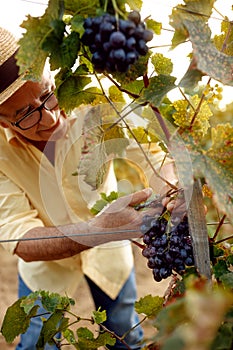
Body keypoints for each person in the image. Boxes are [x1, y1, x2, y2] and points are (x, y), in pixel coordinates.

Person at [0, 26, 177, 349]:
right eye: (26, 114)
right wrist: (97, 230)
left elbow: (155, 156)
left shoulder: (95, 102)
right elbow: (20, 237)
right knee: (38, 343)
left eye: (47, 95)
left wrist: (170, 189)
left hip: (111, 255)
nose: (50, 118)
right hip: (45, 266)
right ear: (2, 121)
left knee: (125, 335)